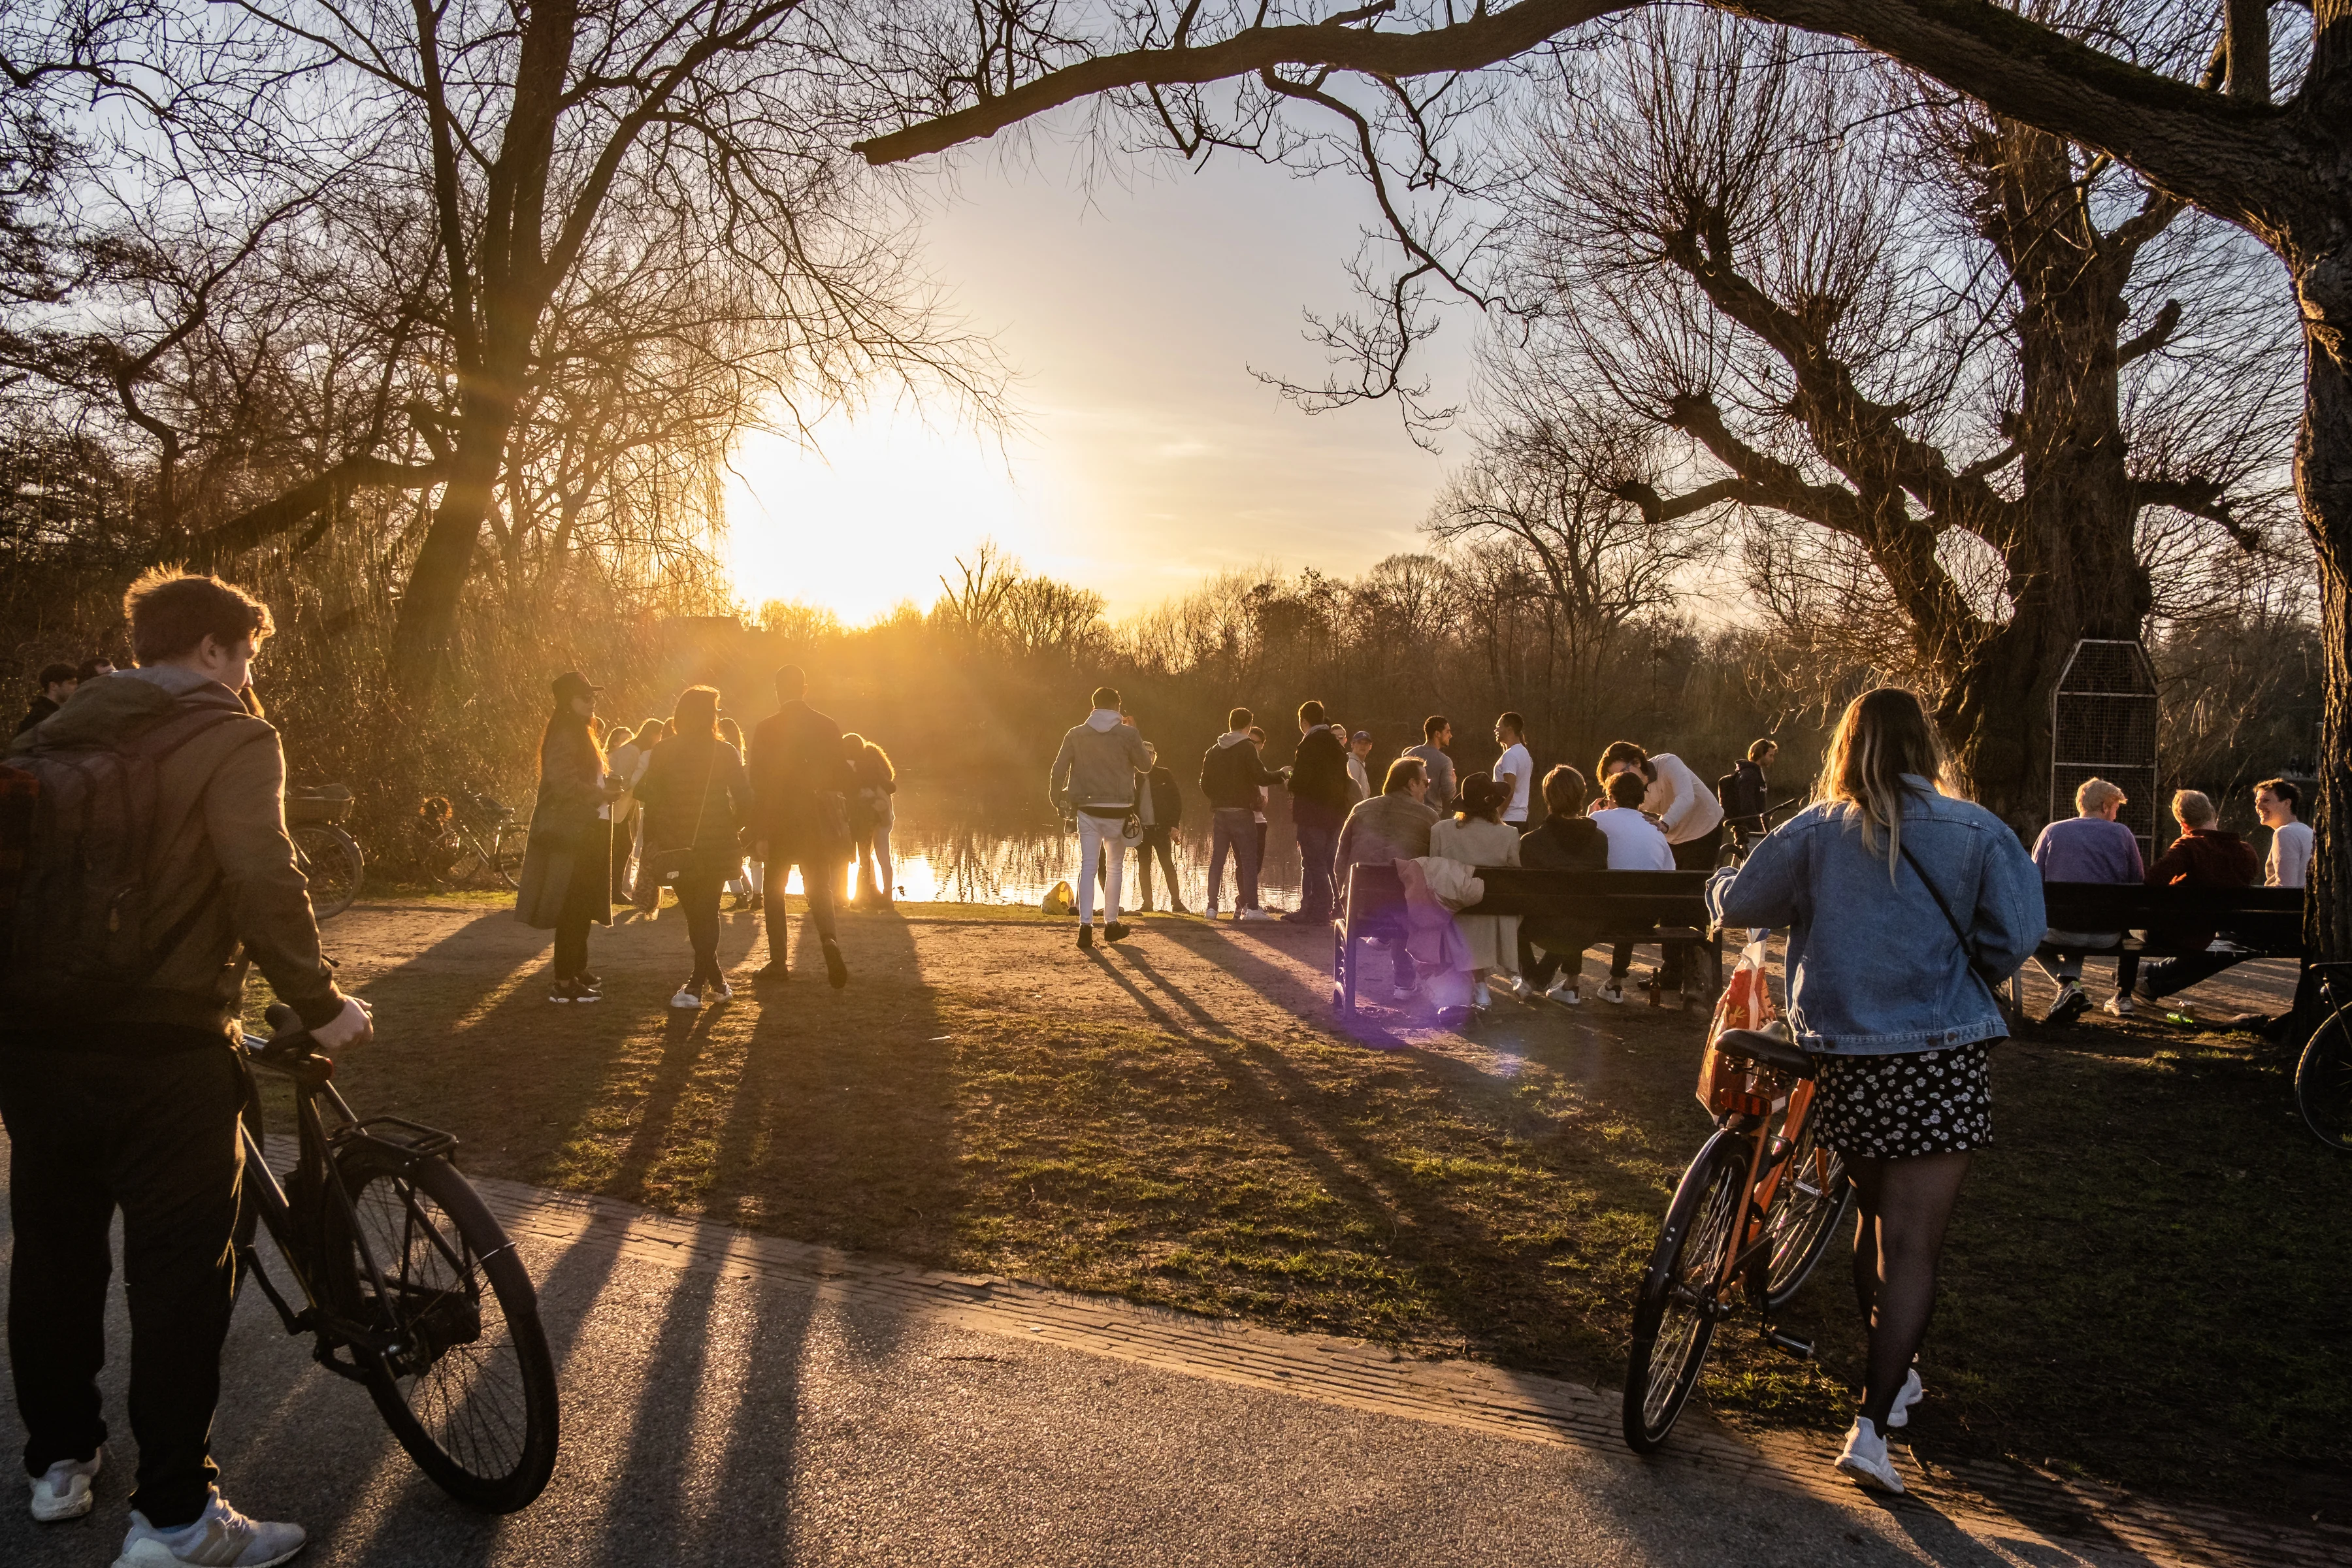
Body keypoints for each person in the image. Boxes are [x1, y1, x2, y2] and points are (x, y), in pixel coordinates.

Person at [1, 568, 372, 1566]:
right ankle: (175, 1521)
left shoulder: (49, 735)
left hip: (33, 1045)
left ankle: (59, 1465)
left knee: (52, 1258)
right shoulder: (233, 737)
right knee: (176, 1281)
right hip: (164, 1050)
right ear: (212, 648)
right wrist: (323, 1001)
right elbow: (262, 871)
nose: (249, 673)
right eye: (246, 653)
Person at [1710, 686, 2042, 1498]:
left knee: (1871, 1216)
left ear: (1846, 744)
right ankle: (1873, 1421)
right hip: (1942, 1055)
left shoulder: (1817, 828)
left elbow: (1741, 905)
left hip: (1848, 1054)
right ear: (1926, 746)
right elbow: (2019, 932)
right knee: (1917, 1245)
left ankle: (1892, 1388)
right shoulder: (1978, 829)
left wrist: (1726, 880)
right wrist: (1968, 973)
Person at [636, 685, 755, 1009]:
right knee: (707, 911)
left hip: (678, 845)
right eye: (715, 710)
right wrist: (733, 827)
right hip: (717, 844)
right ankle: (714, 983)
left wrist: (656, 841)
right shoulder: (725, 751)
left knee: (696, 913)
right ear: (708, 715)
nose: (718, 716)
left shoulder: (664, 751)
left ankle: (695, 986)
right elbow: (745, 800)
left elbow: (648, 797)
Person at [514, 672, 621, 1004]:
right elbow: (564, 785)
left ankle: (576, 969)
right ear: (568, 702)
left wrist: (604, 786)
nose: (592, 702)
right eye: (585, 698)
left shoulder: (579, 732)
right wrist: (601, 795)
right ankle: (563, 982)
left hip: (583, 827)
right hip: (570, 832)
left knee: (582, 903)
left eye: (593, 697)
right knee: (572, 907)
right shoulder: (565, 734)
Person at [745, 665, 849, 987]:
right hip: (814, 817)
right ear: (805, 689)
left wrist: (758, 831)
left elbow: (758, 783)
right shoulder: (827, 725)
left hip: (779, 818)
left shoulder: (766, 729)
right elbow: (841, 775)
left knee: (774, 891)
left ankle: (779, 962)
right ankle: (829, 939)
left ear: (778, 690)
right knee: (819, 886)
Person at [1598, 740, 1727, 994]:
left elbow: (1686, 796)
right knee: (1669, 898)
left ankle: (1693, 974)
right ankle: (1671, 972)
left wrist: (1665, 823)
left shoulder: (1668, 763)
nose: (1619, 779)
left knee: (1692, 901)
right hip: (1672, 836)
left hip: (1705, 829)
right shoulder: (1635, 790)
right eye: (1614, 777)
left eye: (1621, 772)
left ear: (1636, 762)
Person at [2029, 777, 2146, 1025]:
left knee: (2033, 933)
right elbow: (2137, 882)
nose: (2115, 816)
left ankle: (2068, 985)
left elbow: (2032, 882)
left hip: (2059, 931)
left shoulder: (2052, 831)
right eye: (2115, 809)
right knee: (2083, 916)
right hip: (2107, 933)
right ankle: (2070, 986)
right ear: (2105, 806)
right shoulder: (2123, 834)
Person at [2132, 789, 2262, 1005]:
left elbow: (2151, 882)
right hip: (2209, 931)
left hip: (2172, 931)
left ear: (2183, 823)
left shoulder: (2188, 846)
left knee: (2128, 924)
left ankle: (2127, 985)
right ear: (2213, 814)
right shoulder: (2246, 851)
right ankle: (2149, 978)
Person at [1049, 685, 1154, 949]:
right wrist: (1134, 734)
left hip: (1087, 809)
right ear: (1117, 706)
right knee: (1115, 867)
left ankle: (1085, 927)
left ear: (1093, 706)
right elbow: (1146, 766)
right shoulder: (1128, 734)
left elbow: (1058, 769)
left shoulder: (1075, 734)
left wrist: (1056, 798)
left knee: (1088, 866)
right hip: (1118, 809)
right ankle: (1111, 924)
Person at [1337, 757, 1440, 1001]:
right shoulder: (1429, 817)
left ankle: (1382, 941)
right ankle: (1405, 984)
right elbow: (1438, 864)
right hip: (1405, 909)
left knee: (1399, 895)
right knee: (1407, 895)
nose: (1427, 789)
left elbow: (1340, 861)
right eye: (1426, 783)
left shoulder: (1360, 809)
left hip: (1360, 907)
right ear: (1411, 784)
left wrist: (1341, 898)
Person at [1513, 765, 1610, 1004]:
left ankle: (1533, 975)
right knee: (1575, 908)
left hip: (1540, 928)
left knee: (1517, 910)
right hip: (1585, 929)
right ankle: (1541, 976)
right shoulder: (1599, 839)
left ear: (1547, 798)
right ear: (1582, 796)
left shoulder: (1531, 841)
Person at [1429, 774, 1522, 1012]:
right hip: (1493, 921)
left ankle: (1473, 983)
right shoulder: (1509, 835)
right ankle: (1485, 982)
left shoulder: (1440, 830)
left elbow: (1436, 873)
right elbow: (1516, 878)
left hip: (1454, 915)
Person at [1587, 770, 1676, 1002]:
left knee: (1602, 901)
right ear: (1640, 799)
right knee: (1631, 902)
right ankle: (1615, 984)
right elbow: (1670, 876)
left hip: (1603, 915)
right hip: (1644, 918)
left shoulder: (1598, 820)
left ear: (1611, 796)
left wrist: (1588, 817)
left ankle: (1570, 983)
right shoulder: (1655, 831)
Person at [1200, 708, 1282, 921]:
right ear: (1248, 725)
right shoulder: (1247, 747)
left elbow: (1204, 784)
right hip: (1242, 813)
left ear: (1230, 723)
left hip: (1220, 813)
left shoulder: (1214, 750)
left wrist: (1218, 799)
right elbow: (1261, 776)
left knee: (1217, 861)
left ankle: (1211, 908)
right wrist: (1282, 775)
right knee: (1248, 861)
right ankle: (1253, 909)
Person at [1284, 700, 1354, 924]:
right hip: (1335, 814)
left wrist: (1290, 780)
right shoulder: (1336, 746)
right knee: (1327, 862)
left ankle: (1318, 911)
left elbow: (1302, 782)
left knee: (1312, 862)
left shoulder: (1308, 745)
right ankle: (1322, 908)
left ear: (1303, 721)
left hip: (1313, 814)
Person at [846, 731, 898, 907]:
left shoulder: (868, 769)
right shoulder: (873, 766)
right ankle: (879, 893)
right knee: (875, 857)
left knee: (877, 857)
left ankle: (883, 895)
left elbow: (880, 789)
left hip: (878, 819)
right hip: (882, 819)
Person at [1134, 751, 1186, 913]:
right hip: (1141, 830)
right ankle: (1147, 904)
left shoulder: (1164, 774)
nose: (1147, 757)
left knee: (1167, 865)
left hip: (1161, 829)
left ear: (1155, 757)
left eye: (1150, 754)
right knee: (1143, 867)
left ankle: (1177, 903)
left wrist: (1174, 825)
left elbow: (1176, 801)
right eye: (1143, 754)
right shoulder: (1133, 776)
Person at [626, 719, 670, 913]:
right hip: (682, 813)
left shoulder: (649, 756)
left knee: (651, 856)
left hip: (655, 812)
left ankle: (646, 898)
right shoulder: (685, 755)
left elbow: (636, 783)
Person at [718, 717, 760, 909]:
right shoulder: (736, 751)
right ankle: (755, 893)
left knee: (728, 853)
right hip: (742, 802)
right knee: (751, 853)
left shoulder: (724, 750)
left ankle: (740, 894)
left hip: (728, 803)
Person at [602, 723, 644, 900]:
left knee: (624, 846)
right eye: (624, 740)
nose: (628, 743)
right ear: (613, 742)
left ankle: (615, 888)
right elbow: (622, 782)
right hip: (613, 809)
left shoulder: (626, 756)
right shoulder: (612, 758)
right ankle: (613, 889)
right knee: (622, 846)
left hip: (625, 809)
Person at [2257, 777, 2311, 890]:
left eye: (2266, 801)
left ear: (2286, 803)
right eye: (2257, 802)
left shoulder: (2285, 833)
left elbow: (2286, 888)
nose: (2258, 806)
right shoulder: (2309, 832)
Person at [1721, 738, 1779, 842]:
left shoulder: (1756, 773)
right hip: (1750, 829)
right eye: (1770, 756)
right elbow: (1747, 804)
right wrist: (1758, 827)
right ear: (1761, 754)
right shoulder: (1748, 775)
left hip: (1758, 827)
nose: (1772, 760)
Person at [1402, 715, 1458, 815]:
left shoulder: (1408, 755)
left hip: (1409, 812)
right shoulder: (1445, 761)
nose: (1451, 736)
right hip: (1432, 815)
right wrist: (1453, 782)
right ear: (1438, 734)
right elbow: (1448, 794)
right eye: (1447, 732)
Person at [1492, 712, 1534, 827]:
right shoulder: (1524, 753)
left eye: (1499, 727)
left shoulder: (1510, 756)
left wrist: (1496, 816)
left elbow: (1508, 789)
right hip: (1521, 818)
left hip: (1508, 819)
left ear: (1510, 730)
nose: (1496, 730)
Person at [14, 661, 76, 736]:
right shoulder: (39, 719)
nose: (77, 687)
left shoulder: (62, 713)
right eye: (72, 683)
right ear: (53, 686)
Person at [1346, 729, 1375, 803]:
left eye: (1366, 743)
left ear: (1370, 746)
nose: (1363, 746)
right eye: (1359, 743)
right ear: (1352, 744)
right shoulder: (1352, 763)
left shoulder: (1360, 764)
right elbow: (1351, 792)